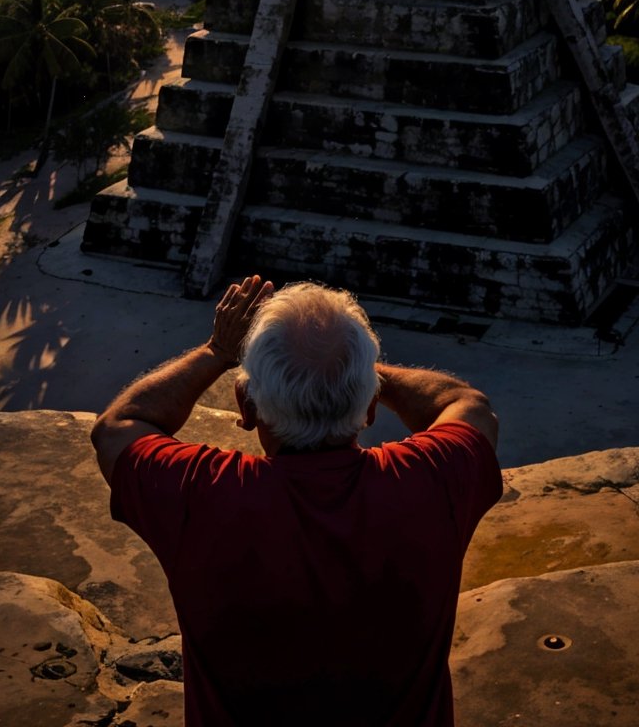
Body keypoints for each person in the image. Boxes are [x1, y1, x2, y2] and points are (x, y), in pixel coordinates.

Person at [92, 275, 501, 727]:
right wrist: (352, 370)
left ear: (245, 408)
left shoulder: (201, 494)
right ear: (369, 408)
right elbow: (467, 404)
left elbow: (119, 426)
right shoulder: (432, 480)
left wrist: (217, 352)